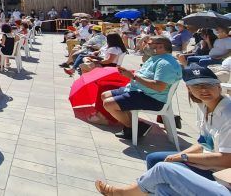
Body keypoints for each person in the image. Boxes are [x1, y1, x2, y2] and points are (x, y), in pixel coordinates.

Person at [95, 65, 231, 195]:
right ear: (189, 89)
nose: (203, 90)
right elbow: (204, 143)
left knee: (163, 169)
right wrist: (179, 156)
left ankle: (124, 193)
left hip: (223, 174)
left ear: (219, 86)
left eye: (209, 85)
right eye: (196, 86)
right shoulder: (204, 106)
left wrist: (183, 157)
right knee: (155, 160)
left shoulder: (227, 114)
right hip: (211, 163)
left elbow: (226, 160)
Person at [101, 36, 182, 140]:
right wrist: (129, 74)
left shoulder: (165, 64)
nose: (145, 45)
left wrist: (133, 77)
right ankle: (133, 126)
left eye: (149, 43)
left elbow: (159, 87)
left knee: (108, 104)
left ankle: (136, 128)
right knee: (105, 95)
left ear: (160, 46)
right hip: (140, 91)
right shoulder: (156, 57)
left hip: (152, 98)